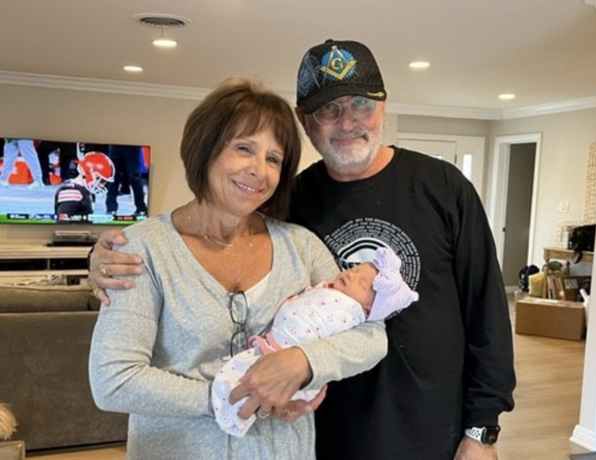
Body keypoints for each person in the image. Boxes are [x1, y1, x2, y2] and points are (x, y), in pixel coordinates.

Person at [88, 40, 516, 460]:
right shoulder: (290, 202)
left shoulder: (442, 188)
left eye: (361, 104)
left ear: (383, 105)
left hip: (427, 430)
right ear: (306, 120)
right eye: (329, 109)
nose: (347, 122)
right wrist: (104, 256)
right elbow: (119, 367)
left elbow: (487, 312)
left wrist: (482, 429)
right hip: (323, 431)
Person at [87, 77, 387, 460]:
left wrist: (305, 363)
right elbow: (113, 379)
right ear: (205, 150)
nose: (259, 171)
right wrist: (233, 393)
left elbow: (372, 336)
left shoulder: (301, 246)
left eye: (273, 159)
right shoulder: (143, 250)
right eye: (244, 149)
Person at [213, 246, 419, 437]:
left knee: (242, 389)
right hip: (269, 350)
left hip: (281, 362)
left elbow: (373, 341)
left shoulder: (349, 310)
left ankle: (232, 413)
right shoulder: (330, 286)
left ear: (367, 309)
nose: (351, 274)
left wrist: (304, 360)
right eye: (354, 269)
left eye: (362, 283)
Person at [54, 151, 115, 219]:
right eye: (101, 181)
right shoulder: (72, 192)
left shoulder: (86, 189)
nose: (102, 185)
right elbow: (63, 224)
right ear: (88, 173)